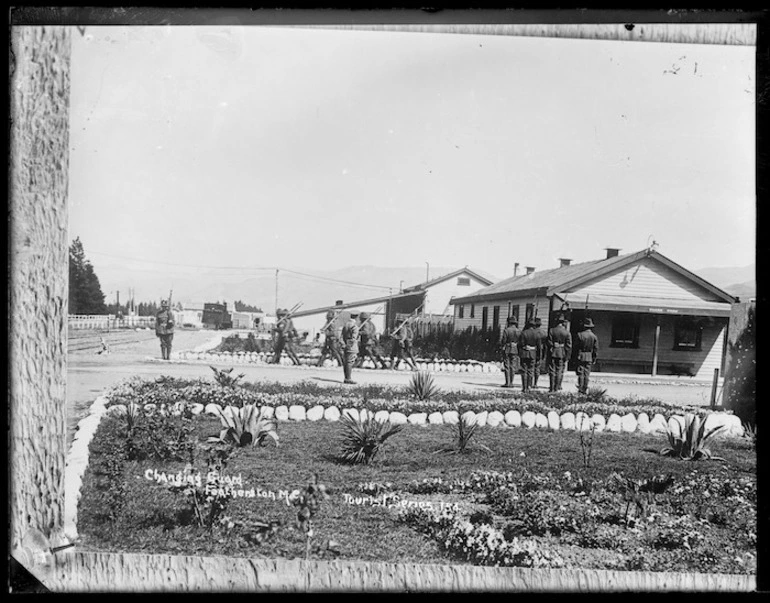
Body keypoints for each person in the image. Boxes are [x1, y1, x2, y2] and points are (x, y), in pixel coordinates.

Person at [547, 314, 572, 392]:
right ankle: (557, 387)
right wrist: (567, 355)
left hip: (553, 352)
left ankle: (551, 388)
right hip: (562, 353)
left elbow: (549, 342)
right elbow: (569, 346)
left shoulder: (552, 330)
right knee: (559, 371)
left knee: (552, 370)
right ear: (563, 322)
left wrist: (553, 346)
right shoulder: (567, 333)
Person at [575, 317, 599, 394]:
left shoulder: (580, 335)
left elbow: (576, 347)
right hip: (589, 356)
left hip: (581, 355)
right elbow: (595, 349)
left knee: (581, 373)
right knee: (587, 373)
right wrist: (594, 358)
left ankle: (580, 388)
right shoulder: (594, 336)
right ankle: (585, 388)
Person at [518, 317, 539, 392]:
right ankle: (529, 386)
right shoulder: (536, 334)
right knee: (531, 370)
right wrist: (538, 356)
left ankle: (524, 387)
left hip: (524, 353)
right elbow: (539, 346)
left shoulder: (523, 333)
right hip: (533, 353)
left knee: (524, 370)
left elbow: (520, 344)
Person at [499, 316, 521, 388]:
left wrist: (502, 346)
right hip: (515, 349)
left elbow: (503, 341)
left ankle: (507, 382)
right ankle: (511, 382)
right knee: (513, 366)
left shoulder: (506, 330)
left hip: (508, 348)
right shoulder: (518, 331)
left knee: (507, 366)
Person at [341, 311, 360, 384]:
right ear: (356, 317)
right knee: (350, 361)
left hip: (345, 343)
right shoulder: (354, 326)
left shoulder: (346, 324)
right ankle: (348, 378)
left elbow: (342, 335)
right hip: (351, 345)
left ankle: (346, 377)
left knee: (346, 362)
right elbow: (354, 337)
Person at [532, 317, 547, 389]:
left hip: (532, 350)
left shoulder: (533, 332)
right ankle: (535, 383)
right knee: (537, 368)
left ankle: (530, 383)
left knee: (531, 367)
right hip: (540, 351)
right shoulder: (544, 333)